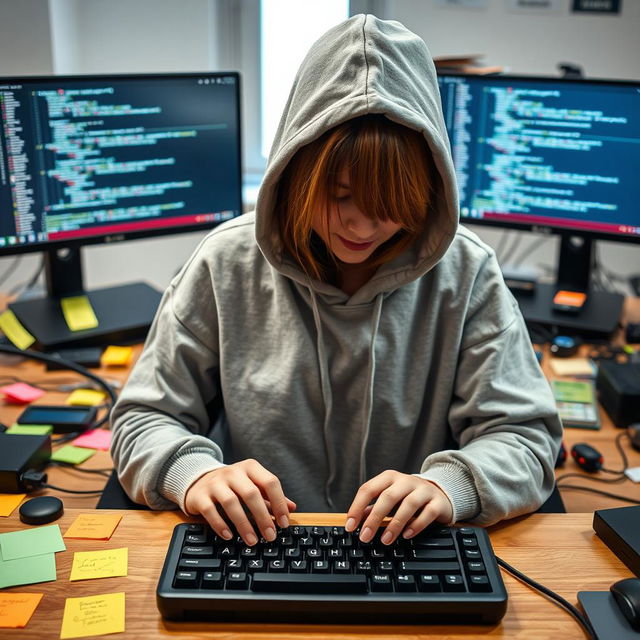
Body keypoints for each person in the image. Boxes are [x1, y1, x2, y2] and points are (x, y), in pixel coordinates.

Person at [111, 14, 562, 548]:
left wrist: (452, 485)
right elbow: (143, 418)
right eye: (341, 194)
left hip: (406, 555)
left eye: (390, 204)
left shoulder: (466, 272)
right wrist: (195, 474)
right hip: (257, 550)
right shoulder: (225, 261)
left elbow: (526, 439)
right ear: (295, 170)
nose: (361, 225)